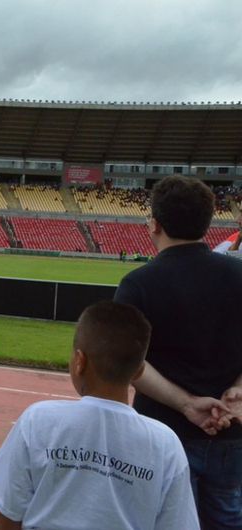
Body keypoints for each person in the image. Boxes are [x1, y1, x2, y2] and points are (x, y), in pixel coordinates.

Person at [0, 301, 198, 530]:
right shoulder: (166, 443)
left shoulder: (38, 420)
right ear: (139, 371)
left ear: (79, 361)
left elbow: (10, 510)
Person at [114, 175, 242, 528]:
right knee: (228, 517)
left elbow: (129, 362)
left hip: (161, 430)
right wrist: (238, 391)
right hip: (231, 431)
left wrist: (187, 404)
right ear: (208, 222)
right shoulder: (238, 275)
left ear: (154, 223)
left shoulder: (138, 284)